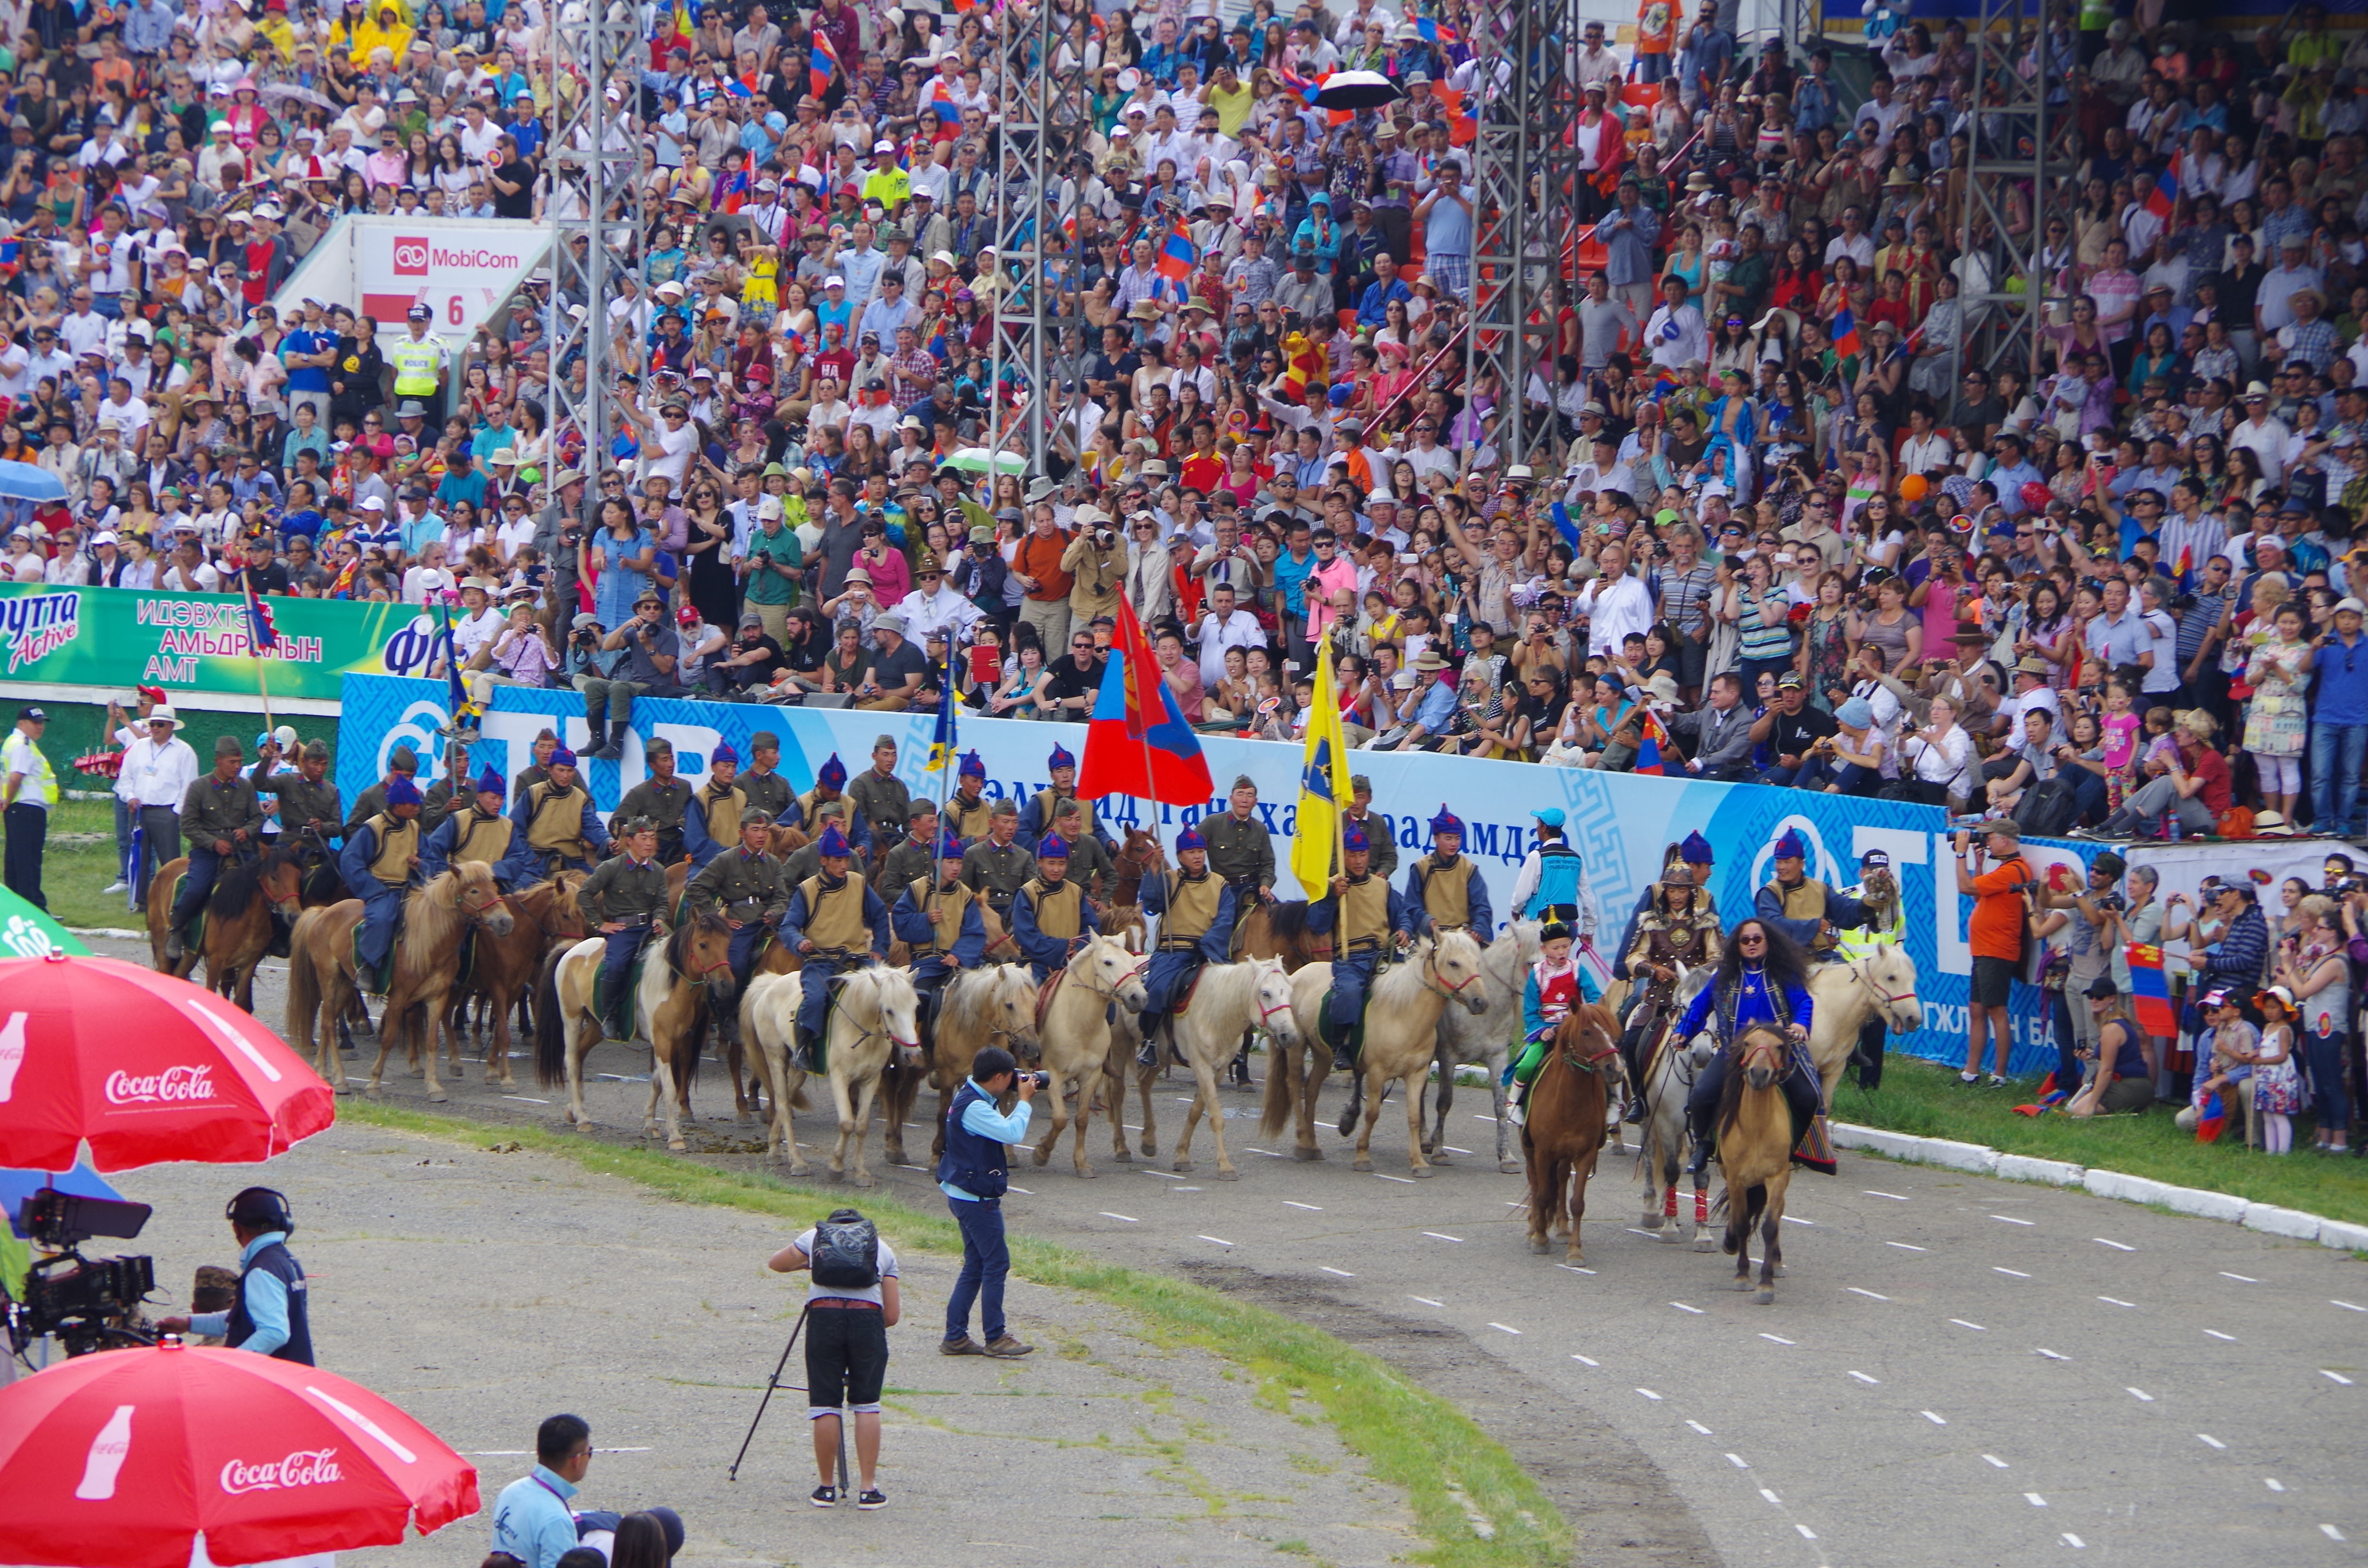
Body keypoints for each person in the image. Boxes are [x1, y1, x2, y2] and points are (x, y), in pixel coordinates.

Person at [767, 1209, 902, 1509]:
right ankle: (868, 1489)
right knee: (867, 1404)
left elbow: (776, 1264)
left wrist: (810, 1264)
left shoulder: (814, 1238)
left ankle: (826, 1488)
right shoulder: (883, 1247)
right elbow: (891, 1316)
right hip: (867, 1321)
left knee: (825, 1403)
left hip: (824, 1317)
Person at [1676, 917, 1825, 1182]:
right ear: (1738, 945)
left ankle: (1798, 1149)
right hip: (1737, 1051)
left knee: (1810, 1096)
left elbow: (1803, 1002)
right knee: (1701, 1095)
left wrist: (1801, 1024)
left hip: (1780, 1051)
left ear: (1768, 942)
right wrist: (1683, 1033)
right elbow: (1700, 1006)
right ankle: (1703, 1144)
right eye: (1746, 940)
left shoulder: (1784, 973)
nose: (1752, 944)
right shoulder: (1725, 976)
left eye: (1757, 939)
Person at [936, 1044, 1037, 1359]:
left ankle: (955, 1337)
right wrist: (1024, 1101)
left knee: (976, 1265)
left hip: (962, 1193)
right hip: (977, 1200)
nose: (1013, 1083)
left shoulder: (971, 1096)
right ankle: (996, 1337)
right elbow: (1013, 1133)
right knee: (996, 1263)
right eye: (1010, 1079)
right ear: (998, 1077)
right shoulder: (976, 1108)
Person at [153, 1187, 312, 1364]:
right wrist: (188, 1323)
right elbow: (242, 1320)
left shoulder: (261, 1271)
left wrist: (231, 1364)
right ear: (284, 1224)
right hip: (295, 1375)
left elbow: (275, 1333)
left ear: (237, 1229)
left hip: (271, 1380)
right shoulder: (286, 1262)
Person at [1617, 862, 1723, 1121]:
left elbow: (1719, 955)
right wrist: (1654, 969)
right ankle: (1640, 1099)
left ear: (1691, 892)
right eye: (1672, 890)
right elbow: (1633, 957)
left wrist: (1697, 973)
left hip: (1699, 998)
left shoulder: (1706, 923)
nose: (1677, 896)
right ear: (1665, 892)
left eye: (1683, 890)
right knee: (1631, 1041)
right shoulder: (1652, 923)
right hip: (1660, 998)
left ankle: (1723, 1103)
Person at [1305, 818, 1414, 1071]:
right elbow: (1316, 925)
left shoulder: (1382, 886)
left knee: (1414, 987)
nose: (1358, 861)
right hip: (1350, 959)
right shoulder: (1330, 887)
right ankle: (1340, 1043)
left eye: (1362, 854)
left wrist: (1405, 930)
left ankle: (1411, 1043)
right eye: (1352, 855)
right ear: (1343, 855)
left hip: (1384, 957)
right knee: (1349, 993)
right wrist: (1331, 898)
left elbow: (1404, 914)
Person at [781, 822, 891, 1064]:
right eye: (837, 860)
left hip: (858, 958)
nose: (844, 865)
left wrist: (879, 949)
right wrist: (799, 941)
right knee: (815, 999)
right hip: (821, 961)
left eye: (846, 859)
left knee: (889, 993)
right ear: (824, 860)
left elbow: (881, 915)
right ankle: (803, 1046)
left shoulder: (858, 883)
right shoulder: (806, 890)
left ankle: (891, 1047)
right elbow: (788, 927)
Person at [1136, 822, 1236, 1064]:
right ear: (1180, 856)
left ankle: (1235, 1048)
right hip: (1173, 952)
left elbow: (1226, 918)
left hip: (1208, 951)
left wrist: (1209, 944)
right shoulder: (1170, 879)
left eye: (1200, 851)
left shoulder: (1220, 884)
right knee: (1157, 990)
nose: (1197, 856)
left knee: (1236, 991)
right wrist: (1155, 867)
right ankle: (1149, 1042)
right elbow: (1152, 904)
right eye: (1191, 852)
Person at [163, 735, 266, 966]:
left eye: (240, 761)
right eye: (232, 762)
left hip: (241, 850)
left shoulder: (246, 787)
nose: (237, 766)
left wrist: (246, 831)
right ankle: (177, 929)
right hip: (208, 851)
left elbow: (257, 818)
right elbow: (188, 825)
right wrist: (213, 843)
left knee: (266, 887)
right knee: (196, 888)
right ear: (218, 761)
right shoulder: (199, 787)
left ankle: (270, 935)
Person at [890, 828, 986, 1053]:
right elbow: (901, 921)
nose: (955, 868)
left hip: (961, 961)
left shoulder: (966, 894)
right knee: (918, 1001)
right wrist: (925, 920)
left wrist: (959, 955)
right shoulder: (917, 889)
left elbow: (975, 931)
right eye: (950, 861)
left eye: (959, 862)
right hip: (927, 960)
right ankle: (912, 1050)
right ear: (936, 862)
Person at [1951, 820, 2031, 1087]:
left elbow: (1965, 888)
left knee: (1997, 1010)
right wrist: (1979, 865)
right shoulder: (2004, 871)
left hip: (1997, 950)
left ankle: (2000, 1076)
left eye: (1990, 838)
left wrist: (1961, 853)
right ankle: (1971, 1072)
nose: (1986, 842)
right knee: (1976, 1009)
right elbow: (1979, 897)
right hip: (1984, 950)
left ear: (2005, 840)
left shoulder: (2014, 870)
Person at [1504, 911, 1601, 1127]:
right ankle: (1513, 1102)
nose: (1561, 952)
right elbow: (1531, 1012)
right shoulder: (1536, 975)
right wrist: (1541, 1030)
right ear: (1543, 950)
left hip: (1576, 1027)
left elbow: (1594, 996)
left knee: (1604, 1056)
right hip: (1548, 1030)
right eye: (1555, 948)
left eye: (1565, 946)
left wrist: (1587, 1013)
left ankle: (1614, 1103)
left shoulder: (1578, 969)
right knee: (1528, 1063)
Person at [577, 816, 670, 1041]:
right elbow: (584, 894)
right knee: (616, 966)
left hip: (650, 928)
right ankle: (609, 1016)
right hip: (624, 931)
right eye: (644, 838)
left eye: (652, 838)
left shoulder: (658, 870)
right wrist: (600, 925)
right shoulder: (611, 867)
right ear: (629, 841)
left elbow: (662, 903)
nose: (649, 843)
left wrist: (659, 919)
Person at [683, 810, 789, 992]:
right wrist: (718, 918)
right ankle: (725, 1013)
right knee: (736, 965)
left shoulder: (774, 862)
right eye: (755, 830)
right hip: (740, 924)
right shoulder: (726, 860)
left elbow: (782, 897)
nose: (761, 835)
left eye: (764, 830)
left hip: (768, 922)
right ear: (742, 833)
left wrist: (775, 912)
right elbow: (695, 889)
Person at [339, 775, 426, 994]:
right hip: (382, 889)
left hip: (411, 888)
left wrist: (421, 864)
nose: (417, 808)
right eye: (412, 805)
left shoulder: (415, 828)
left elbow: (432, 857)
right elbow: (350, 860)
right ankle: (369, 966)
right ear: (398, 806)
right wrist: (374, 888)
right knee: (383, 918)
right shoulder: (373, 828)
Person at [1831, 848, 1904, 1088]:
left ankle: (1870, 1088)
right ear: (1862, 872)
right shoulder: (1844, 897)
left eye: (1883, 870)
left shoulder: (1895, 902)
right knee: (1844, 1032)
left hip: (1879, 979)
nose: (1878, 876)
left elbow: (1899, 941)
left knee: (1875, 1036)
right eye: (1872, 871)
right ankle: (1833, 1075)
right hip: (1849, 977)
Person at [490, 1415, 594, 1568]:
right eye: (589, 1452)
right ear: (576, 1460)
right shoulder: (556, 1520)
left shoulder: (511, 1491)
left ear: (539, 1451)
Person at [1751, 828, 1867, 959]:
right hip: (1786, 958)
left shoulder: (1820, 888)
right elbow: (1774, 926)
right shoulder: (1769, 893)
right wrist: (1814, 926)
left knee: (1851, 976)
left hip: (1822, 955)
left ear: (1801, 864)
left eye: (1787, 862)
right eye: (1778, 862)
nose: (1781, 867)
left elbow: (1845, 911)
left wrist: (1868, 904)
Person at [421, 764, 537, 888]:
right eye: (493, 798)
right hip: (463, 888)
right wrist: (451, 875)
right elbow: (433, 850)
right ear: (480, 796)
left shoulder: (508, 826)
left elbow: (517, 859)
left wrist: (495, 871)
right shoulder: (460, 820)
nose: (498, 803)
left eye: (501, 798)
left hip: (495, 886)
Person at [2065, 975, 2155, 1118]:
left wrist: (2092, 1105)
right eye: (2091, 996)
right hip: (2128, 1084)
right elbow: (2120, 1055)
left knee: (2079, 1110)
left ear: (2112, 999)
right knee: (2075, 1108)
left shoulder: (2111, 1029)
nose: (2094, 1000)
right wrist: (2093, 1054)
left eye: (2100, 997)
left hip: (2132, 1086)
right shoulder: (2117, 1022)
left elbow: (2107, 1071)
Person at [1011, 833, 1097, 981]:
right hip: (1038, 963)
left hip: (1076, 961)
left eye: (1061, 863)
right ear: (1040, 862)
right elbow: (1026, 935)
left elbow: (1091, 928)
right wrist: (1061, 947)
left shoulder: (1076, 891)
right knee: (1031, 1001)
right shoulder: (1027, 893)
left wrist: (1079, 950)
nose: (1057, 869)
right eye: (1051, 863)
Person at [514, 748, 609, 875]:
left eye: (570, 771)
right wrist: (529, 856)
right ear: (550, 770)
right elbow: (515, 828)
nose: (566, 776)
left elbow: (592, 827)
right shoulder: (534, 793)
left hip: (572, 862)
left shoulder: (579, 797)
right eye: (561, 770)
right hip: (538, 860)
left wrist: (608, 841)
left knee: (595, 890)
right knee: (521, 892)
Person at [1404, 805, 1493, 938]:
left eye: (1457, 838)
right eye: (1448, 838)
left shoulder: (1468, 868)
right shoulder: (1421, 868)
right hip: (1433, 937)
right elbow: (1411, 907)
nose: (1454, 844)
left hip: (1463, 936)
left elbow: (1482, 907)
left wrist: (1478, 929)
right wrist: (1427, 920)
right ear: (1436, 839)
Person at [1509, 807, 1599, 935]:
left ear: (1544, 828)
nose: (1537, 829)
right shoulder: (1577, 859)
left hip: (1542, 927)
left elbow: (1521, 895)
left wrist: (1516, 911)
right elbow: (1588, 898)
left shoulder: (1537, 857)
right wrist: (1588, 930)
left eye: (1538, 825)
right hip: (1569, 928)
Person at [2, 704, 55, 911]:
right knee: (29, 860)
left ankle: (18, 905)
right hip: (27, 808)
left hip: (18, 808)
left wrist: (6, 800)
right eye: (35, 723)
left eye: (42, 723)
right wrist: (8, 799)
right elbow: (15, 777)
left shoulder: (11, 743)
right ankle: (33, 908)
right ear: (21, 724)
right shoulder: (23, 745)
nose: (40, 727)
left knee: (16, 859)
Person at [1199, 774, 1276, 906]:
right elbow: (1190, 848)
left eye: (1250, 795)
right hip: (1222, 891)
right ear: (1231, 799)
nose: (1245, 800)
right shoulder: (1213, 823)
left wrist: (1265, 885)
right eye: (1240, 794)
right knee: (1224, 923)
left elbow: (1268, 863)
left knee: (1282, 919)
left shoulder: (1261, 829)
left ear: (1256, 802)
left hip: (1253, 889)